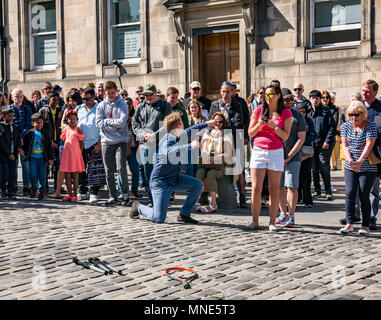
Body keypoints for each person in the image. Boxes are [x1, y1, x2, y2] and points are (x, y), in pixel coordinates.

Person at [128, 112, 218, 224]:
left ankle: (184, 214)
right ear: (178, 126)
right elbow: (168, 152)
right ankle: (138, 207)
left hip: (174, 178)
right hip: (160, 183)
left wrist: (208, 123)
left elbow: (192, 129)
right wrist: (191, 145)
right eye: (181, 121)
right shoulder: (168, 138)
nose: (184, 124)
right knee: (158, 218)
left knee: (198, 185)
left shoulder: (177, 136)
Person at [247, 84, 292, 232]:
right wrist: (259, 125)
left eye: (271, 94)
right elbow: (250, 133)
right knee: (255, 188)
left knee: (274, 189)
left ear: (278, 95)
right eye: (266, 95)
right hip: (258, 150)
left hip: (276, 151)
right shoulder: (258, 110)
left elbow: (285, 136)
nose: (268, 97)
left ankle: (272, 222)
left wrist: (274, 127)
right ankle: (255, 221)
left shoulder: (285, 113)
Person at [339, 101, 378, 235]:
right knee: (350, 193)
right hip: (350, 164)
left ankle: (365, 226)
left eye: (356, 114)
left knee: (363, 194)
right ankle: (349, 223)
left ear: (363, 114)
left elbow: (369, 145)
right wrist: (350, 160)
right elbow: (345, 145)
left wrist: (360, 161)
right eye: (351, 114)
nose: (353, 117)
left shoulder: (370, 126)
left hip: (367, 165)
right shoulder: (346, 126)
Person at [132, 83, 172, 205]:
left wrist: (154, 135)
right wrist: (142, 135)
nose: (148, 97)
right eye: (145, 94)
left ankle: (162, 198)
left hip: (160, 144)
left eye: (150, 94)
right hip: (145, 144)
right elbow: (135, 124)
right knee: (148, 173)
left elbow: (168, 124)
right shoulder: (141, 106)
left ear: (156, 93)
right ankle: (153, 199)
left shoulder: (165, 105)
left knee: (158, 173)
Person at [96, 80, 130, 207]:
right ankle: (112, 195)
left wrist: (107, 123)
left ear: (116, 90)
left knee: (121, 168)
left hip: (120, 141)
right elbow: (98, 123)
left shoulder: (122, 104)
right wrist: (112, 125)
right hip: (106, 141)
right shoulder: (101, 106)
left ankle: (125, 193)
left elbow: (122, 122)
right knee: (108, 170)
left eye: (113, 92)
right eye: (108, 93)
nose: (110, 95)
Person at [276, 88, 306, 228]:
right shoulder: (276, 115)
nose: (289, 102)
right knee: (280, 187)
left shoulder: (297, 116)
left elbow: (301, 139)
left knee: (292, 186)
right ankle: (283, 213)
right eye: (286, 99)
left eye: (291, 99)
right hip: (277, 155)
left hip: (293, 156)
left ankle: (291, 215)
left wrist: (289, 156)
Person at [195, 112, 234, 213]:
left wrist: (216, 157)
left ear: (223, 123)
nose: (218, 123)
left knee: (211, 174)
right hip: (207, 163)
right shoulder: (207, 132)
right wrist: (205, 155)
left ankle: (213, 204)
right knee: (200, 172)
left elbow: (228, 153)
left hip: (221, 164)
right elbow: (203, 149)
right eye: (216, 121)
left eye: (220, 122)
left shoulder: (227, 134)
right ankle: (196, 201)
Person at [308, 90, 336, 201]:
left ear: (320, 99)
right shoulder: (307, 111)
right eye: (313, 98)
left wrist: (327, 141)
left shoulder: (326, 111)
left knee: (324, 167)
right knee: (314, 169)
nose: (315, 100)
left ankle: (328, 191)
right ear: (310, 99)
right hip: (311, 144)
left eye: (317, 98)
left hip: (322, 144)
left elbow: (332, 127)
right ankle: (317, 190)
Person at [77, 88, 102, 203]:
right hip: (81, 144)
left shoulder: (100, 108)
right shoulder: (79, 109)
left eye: (87, 98)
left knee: (94, 170)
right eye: (83, 99)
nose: (85, 101)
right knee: (81, 169)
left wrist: (100, 143)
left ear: (93, 97)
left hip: (94, 143)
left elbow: (104, 127)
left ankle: (93, 192)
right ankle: (82, 191)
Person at [22, 113, 54, 200]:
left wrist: (51, 158)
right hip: (32, 158)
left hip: (43, 159)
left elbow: (49, 147)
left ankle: (42, 191)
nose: (39, 124)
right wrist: (24, 154)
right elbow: (25, 145)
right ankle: (33, 189)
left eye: (41, 122)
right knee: (33, 174)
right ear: (33, 123)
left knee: (42, 176)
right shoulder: (29, 134)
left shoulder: (46, 134)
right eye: (37, 123)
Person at [39, 91, 63, 194]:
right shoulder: (43, 111)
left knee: (57, 166)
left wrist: (58, 141)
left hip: (58, 141)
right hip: (47, 142)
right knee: (46, 165)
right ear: (49, 100)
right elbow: (41, 127)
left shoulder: (60, 110)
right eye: (53, 100)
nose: (55, 102)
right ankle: (44, 187)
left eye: (57, 100)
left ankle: (57, 187)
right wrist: (50, 141)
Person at [10, 88, 33, 196]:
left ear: (23, 97)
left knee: (25, 163)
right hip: (12, 140)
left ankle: (26, 186)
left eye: (20, 96)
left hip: (25, 140)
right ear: (12, 97)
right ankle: (13, 185)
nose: (18, 98)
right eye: (16, 96)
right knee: (13, 164)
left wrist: (21, 136)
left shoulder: (27, 109)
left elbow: (29, 124)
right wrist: (17, 137)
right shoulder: (9, 109)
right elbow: (11, 124)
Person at [230, 83, 250, 208]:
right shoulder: (216, 104)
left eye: (231, 90)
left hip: (237, 137)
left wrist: (246, 136)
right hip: (222, 140)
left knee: (239, 169)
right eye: (225, 91)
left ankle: (242, 196)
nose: (228, 93)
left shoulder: (240, 102)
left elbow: (244, 120)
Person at [59, 110, 85, 202]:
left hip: (75, 155)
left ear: (76, 119)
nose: (72, 120)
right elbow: (65, 140)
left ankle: (75, 195)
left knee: (75, 175)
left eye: (74, 119)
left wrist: (78, 154)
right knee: (67, 176)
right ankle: (69, 195)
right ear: (67, 119)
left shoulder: (78, 130)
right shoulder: (65, 129)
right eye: (70, 119)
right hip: (67, 155)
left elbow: (82, 143)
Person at [0, 107, 23, 200]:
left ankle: (11, 191)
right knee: (5, 173)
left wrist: (19, 148)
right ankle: (3, 190)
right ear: (4, 116)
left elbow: (17, 140)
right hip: (4, 156)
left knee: (12, 174)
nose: (11, 118)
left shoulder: (15, 126)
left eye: (12, 116)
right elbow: (1, 142)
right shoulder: (1, 127)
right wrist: (9, 153)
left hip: (14, 154)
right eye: (9, 116)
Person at [297, 103, 316, 208]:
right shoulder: (294, 121)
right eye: (300, 112)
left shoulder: (309, 122)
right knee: (297, 176)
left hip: (307, 151)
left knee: (306, 176)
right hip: (296, 151)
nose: (302, 114)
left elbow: (313, 135)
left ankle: (308, 200)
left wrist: (302, 141)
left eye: (304, 112)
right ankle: (298, 197)